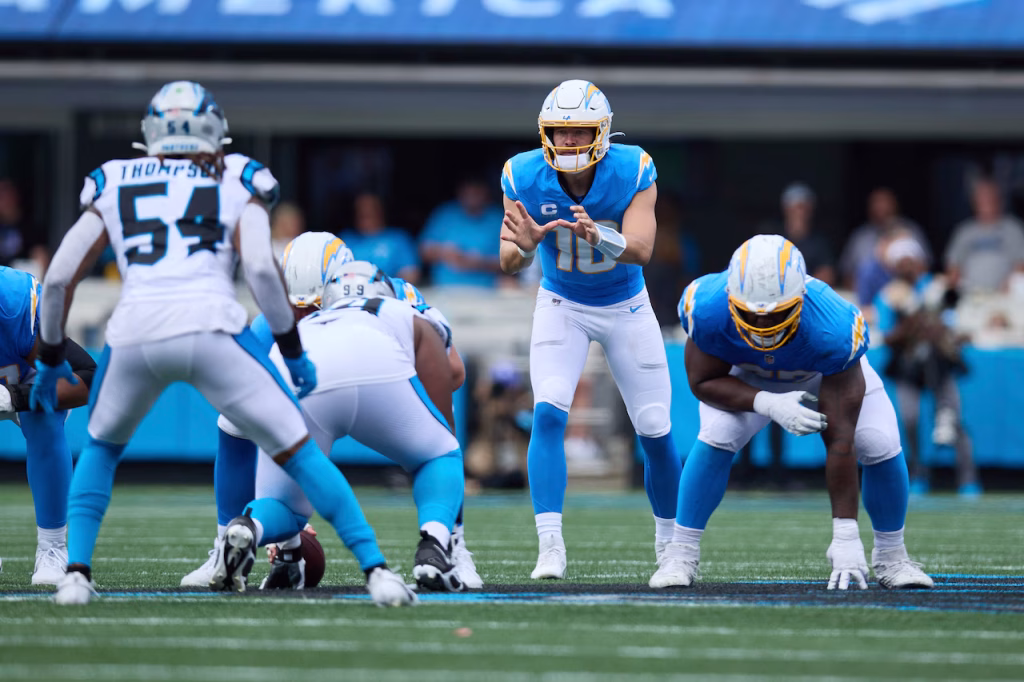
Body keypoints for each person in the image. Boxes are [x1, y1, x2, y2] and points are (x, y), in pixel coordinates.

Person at [33, 80, 414, 607]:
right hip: (212, 325)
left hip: (137, 328)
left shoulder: (114, 178)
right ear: (214, 129)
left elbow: (57, 279)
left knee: (101, 449)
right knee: (301, 455)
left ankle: (75, 574)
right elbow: (260, 267)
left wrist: (52, 356)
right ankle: (377, 571)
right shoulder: (239, 175)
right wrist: (293, 351)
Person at [651, 234, 933, 591]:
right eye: (750, 314)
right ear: (730, 298)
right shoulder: (707, 307)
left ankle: (892, 558)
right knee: (717, 435)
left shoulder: (832, 326)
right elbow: (703, 382)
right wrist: (766, 402)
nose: (764, 328)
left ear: (801, 298)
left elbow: (840, 438)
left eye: (777, 315)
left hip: (817, 373)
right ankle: (681, 553)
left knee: (877, 440)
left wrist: (845, 534)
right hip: (746, 374)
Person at [498, 80, 682, 580]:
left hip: (626, 303)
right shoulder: (523, 176)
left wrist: (599, 233)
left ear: (601, 134)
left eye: (580, 133)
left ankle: (671, 547)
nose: (570, 144)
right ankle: (550, 546)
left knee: (655, 429)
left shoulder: (633, 168)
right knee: (549, 413)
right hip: (563, 302)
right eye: (561, 133)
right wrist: (531, 245)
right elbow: (508, 258)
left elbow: (642, 250)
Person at [246, 260, 468, 592]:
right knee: (439, 455)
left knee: (284, 505)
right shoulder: (401, 307)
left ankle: (249, 528)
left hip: (298, 365)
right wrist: (442, 444)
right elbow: (452, 377)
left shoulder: (307, 318)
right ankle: (433, 547)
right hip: (375, 362)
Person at [179, 230, 353, 588]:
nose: (302, 315)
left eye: (312, 306)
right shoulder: (266, 328)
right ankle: (229, 547)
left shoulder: (366, 319)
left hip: (356, 384)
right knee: (233, 423)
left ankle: (443, 540)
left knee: (427, 450)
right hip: (309, 391)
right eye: (295, 305)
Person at [0, 266, 96, 585]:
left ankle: (53, 548)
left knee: (40, 418)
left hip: (26, 380)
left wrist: (16, 397)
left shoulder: (11, 302)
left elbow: (86, 376)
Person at [874, 237, 980, 496]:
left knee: (952, 416)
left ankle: (968, 479)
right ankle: (918, 474)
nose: (906, 267)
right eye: (901, 262)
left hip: (938, 362)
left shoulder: (936, 287)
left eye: (910, 260)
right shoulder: (888, 295)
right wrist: (911, 325)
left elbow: (953, 322)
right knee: (910, 419)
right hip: (907, 365)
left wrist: (934, 325)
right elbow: (887, 336)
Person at [840, 188, 931, 305]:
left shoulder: (912, 230)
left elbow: (925, 272)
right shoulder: (869, 269)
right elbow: (851, 282)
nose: (881, 208)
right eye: (876, 203)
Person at [420, 178, 504, 288]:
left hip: (486, 291)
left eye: (476, 193)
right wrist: (443, 252)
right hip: (443, 289)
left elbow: (512, 263)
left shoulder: (497, 218)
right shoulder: (445, 213)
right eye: (467, 193)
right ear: (459, 193)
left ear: (486, 193)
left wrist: (480, 263)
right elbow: (423, 252)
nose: (472, 197)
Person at [945, 178, 1024, 294]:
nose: (986, 201)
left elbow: (1021, 264)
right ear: (974, 203)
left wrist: (1009, 284)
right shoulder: (964, 231)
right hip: (970, 295)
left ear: (999, 200)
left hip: (1005, 294)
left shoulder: (1013, 228)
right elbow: (953, 265)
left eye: (990, 197)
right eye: (982, 198)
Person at [340, 192, 421, 284]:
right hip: (352, 292)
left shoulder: (398, 238)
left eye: (369, 213)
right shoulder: (345, 240)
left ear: (380, 212)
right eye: (361, 214)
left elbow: (411, 274)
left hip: (390, 294)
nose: (365, 217)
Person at [779, 183, 835, 285]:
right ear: (786, 209)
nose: (800, 213)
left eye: (805, 208)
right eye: (796, 207)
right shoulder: (775, 239)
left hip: (808, 296)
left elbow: (827, 276)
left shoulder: (819, 243)